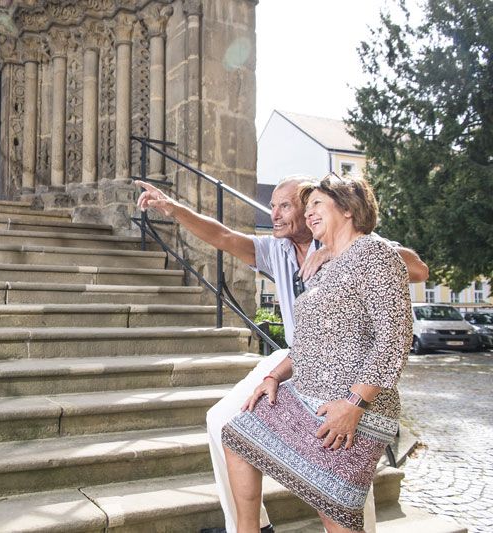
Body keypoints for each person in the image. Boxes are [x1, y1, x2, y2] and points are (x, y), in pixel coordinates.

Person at [135, 176, 428, 533]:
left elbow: (411, 283)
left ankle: (350, 515)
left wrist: (336, 250)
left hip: (350, 379)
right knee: (230, 427)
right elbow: (224, 237)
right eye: (273, 206)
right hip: (301, 356)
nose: (274, 214)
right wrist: (174, 209)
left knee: (338, 490)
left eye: (286, 206)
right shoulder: (277, 250)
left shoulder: (362, 247)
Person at [221, 174, 412, 533]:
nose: (308, 214)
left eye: (317, 205)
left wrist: (354, 405)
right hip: (307, 394)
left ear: (348, 208)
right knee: (238, 437)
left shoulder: (376, 256)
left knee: (334, 507)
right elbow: (309, 343)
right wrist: (274, 376)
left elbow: (394, 340)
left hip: (354, 406)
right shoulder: (326, 267)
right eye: (306, 208)